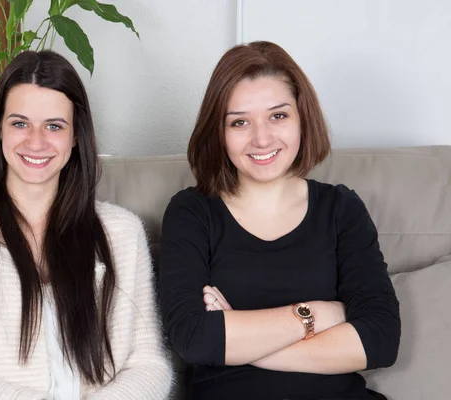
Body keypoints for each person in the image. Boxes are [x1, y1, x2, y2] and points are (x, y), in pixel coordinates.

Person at [0, 50, 173, 400]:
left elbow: (148, 364)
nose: (36, 141)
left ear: (76, 136)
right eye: (19, 123)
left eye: (54, 126)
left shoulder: (122, 233)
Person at [158, 41, 400, 400]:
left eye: (278, 115)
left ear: (303, 116)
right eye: (240, 121)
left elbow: (380, 341)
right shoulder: (192, 212)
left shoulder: (341, 209)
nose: (262, 138)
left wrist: (240, 342)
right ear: (219, 133)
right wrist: (316, 315)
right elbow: (194, 340)